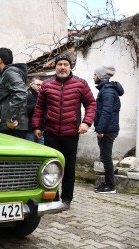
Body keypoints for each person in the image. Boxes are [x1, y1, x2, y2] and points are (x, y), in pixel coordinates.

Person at [32, 54, 96, 210]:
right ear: (55, 67)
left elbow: (91, 104)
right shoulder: (46, 85)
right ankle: (52, 196)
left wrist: (86, 123)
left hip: (71, 134)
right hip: (51, 133)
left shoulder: (80, 84)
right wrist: (36, 126)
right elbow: (39, 108)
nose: (62, 67)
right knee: (50, 167)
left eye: (65, 64)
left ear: (70, 67)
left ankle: (66, 199)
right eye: (59, 64)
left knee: (69, 168)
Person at [93, 65, 123, 194]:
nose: (93, 77)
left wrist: (100, 130)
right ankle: (108, 183)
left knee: (106, 157)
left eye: (95, 74)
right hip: (108, 129)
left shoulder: (107, 91)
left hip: (108, 130)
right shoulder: (107, 89)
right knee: (105, 157)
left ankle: (110, 186)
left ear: (100, 76)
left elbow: (106, 112)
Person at [0, 48, 28, 138]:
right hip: (11, 127)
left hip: (12, 128)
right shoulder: (9, 73)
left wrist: (9, 118)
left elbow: (21, 92)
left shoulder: (10, 72)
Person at [26, 77, 44, 144]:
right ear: (31, 84)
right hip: (29, 128)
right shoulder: (26, 94)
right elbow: (24, 109)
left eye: (41, 85)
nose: (40, 87)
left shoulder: (42, 95)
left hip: (41, 128)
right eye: (38, 85)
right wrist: (39, 105)